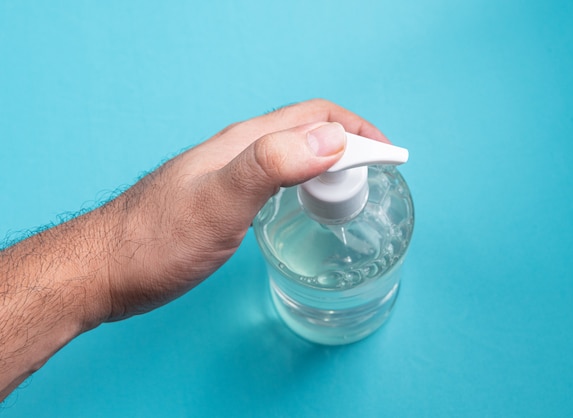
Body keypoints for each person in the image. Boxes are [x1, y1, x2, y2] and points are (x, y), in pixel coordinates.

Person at [0, 99, 389, 400]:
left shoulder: (391, 208)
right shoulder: (277, 209)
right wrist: (112, 253)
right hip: (303, 314)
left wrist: (110, 253)